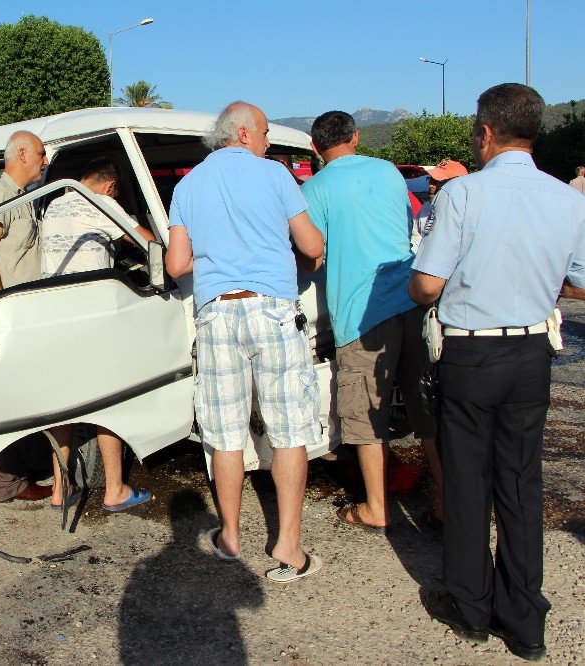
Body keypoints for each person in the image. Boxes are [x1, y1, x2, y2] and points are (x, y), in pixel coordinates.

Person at [410, 83, 585, 662]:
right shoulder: (567, 198)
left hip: (473, 352)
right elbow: (581, 278)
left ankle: (470, 603)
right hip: (533, 351)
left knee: (466, 478)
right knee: (520, 481)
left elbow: (428, 284)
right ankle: (524, 614)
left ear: (485, 133)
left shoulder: (463, 195)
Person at [166, 101, 325, 583]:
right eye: (263, 134)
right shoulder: (275, 176)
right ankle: (288, 547)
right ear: (242, 134)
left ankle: (230, 536)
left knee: (224, 433)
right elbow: (312, 246)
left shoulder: (188, 185)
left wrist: (218, 255)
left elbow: (176, 265)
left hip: (216, 314)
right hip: (273, 310)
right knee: (289, 428)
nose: (268, 142)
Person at [301, 111, 442, 534]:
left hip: (361, 316)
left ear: (315, 147)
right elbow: (403, 227)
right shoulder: (389, 174)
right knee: (425, 409)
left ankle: (375, 508)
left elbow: (313, 253)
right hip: (411, 302)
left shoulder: (314, 188)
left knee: (365, 418)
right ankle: (446, 500)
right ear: (356, 137)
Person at [39, 156, 155, 511]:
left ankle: (61, 489)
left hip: (54, 316)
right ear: (110, 186)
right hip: (91, 317)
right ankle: (115, 489)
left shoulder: (55, 203)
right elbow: (147, 243)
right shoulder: (101, 202)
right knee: (110, 401)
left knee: (64, 407)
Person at [0, 130, 55, 502]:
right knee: (7, 398)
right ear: (21, 153)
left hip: (22, 316)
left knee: (24, 394)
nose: (44, 160)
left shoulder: (22, 198)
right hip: (4, 316)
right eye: (39, 154)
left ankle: (26, 469)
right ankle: (8, 484)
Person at [414, 160, 468, 249]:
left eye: (436, 181)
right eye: (430, 180)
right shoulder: (426, 208)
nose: (431, 185)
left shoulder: (467, 214)